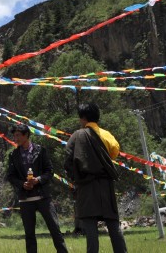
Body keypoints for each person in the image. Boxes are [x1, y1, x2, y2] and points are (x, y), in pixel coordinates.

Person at [63, 103, 126, 253]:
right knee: (113, 224)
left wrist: (77, 178)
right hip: (105, 185)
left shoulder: (77, 136)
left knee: (91, 229)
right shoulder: (106, 135)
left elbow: (68, 160)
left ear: (82, 118)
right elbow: (114, 152)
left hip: (86, 186)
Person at [5, 124, 68, 253]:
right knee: (29, 235)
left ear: (26, 135)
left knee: (55, 229)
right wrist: (22, 184)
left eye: (18, 135)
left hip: (43, 197)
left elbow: (49, 172)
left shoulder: (41, 150)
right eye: (14, 135)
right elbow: (10, 176)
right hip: (25, 199)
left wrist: (37, 180)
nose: (15, 138)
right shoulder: (13, 155)